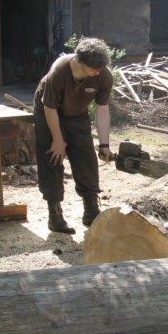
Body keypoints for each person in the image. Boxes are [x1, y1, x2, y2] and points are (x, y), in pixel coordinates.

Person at [34, 37, 114, 234]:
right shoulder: (60, 71)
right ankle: (55, 215)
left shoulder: (103, 75)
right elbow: (50, 107)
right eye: (94, 69)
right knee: (52, 157)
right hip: (49, 112)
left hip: (77, 113)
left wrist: (104, 144)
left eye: (101, 68)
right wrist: (58, 140)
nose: (98, 72)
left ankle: (91, 211)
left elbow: (102, 110)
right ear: (80, 62)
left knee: (86, 157)